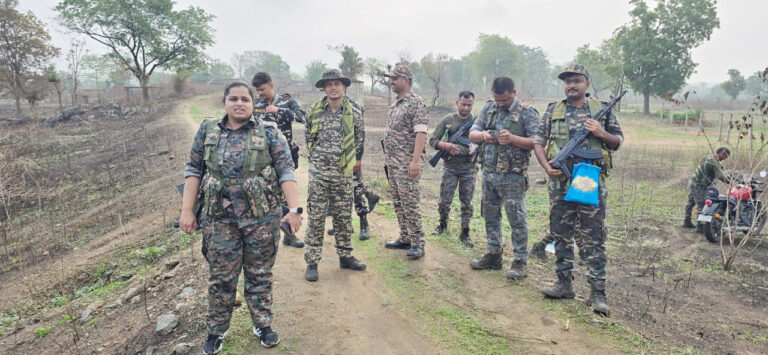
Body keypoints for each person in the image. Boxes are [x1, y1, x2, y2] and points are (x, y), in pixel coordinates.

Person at [179, 81, 302, 353]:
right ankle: (216, 331)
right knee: (221, 276)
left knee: (259, 273)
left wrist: (294, 210)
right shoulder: (207, 131)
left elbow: (285, 171)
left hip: (261, 217)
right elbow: (193, 169)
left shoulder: (269, 133)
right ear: (225, 102)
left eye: (245, 99)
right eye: (233, 98)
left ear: (252, 103)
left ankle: (263, 324)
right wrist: (187, 209)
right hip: (219, 219)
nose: (239, 103)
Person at [533, 64, 623, 316]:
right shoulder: (554, 110)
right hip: (560, 182)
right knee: (561, 233)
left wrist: (600, 132)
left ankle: (598, 293)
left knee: (593, 236)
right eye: (567, 81)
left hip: (588, 181)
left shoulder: (600, 110)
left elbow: (617, 142)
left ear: (587, 83)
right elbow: (538, 142)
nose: (571, 85)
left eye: (576, 80)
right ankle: (563, 283)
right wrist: (546, 167)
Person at [468, 77, 540, 281]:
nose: (500, 104)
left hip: (512, 175)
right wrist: (484, 136)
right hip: (489, 172)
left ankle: (519, 261)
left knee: (516, 218)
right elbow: (472, 132)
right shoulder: (489, 108)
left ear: (514, 93)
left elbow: (537, 141)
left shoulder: (527, 112)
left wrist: (513, 139)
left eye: (505, 101)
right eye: (497, 100)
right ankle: (493, 254)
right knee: (490, 215)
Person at [303, 69, 367, 282]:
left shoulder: (355, 113)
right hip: (319, 176)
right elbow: (308, 138)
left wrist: (351, 162)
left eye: (337, 84)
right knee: (316, 218)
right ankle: (312, 262)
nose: (333, 88)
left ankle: (345, 256)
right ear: (323, 88)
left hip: (343, 175)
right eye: (328, 84)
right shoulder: (313, 111)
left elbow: (359, 139)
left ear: (344, 87)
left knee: (342, 217)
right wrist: (318, 162)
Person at [252, 72, 307, 249]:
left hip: (284, 158)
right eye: (257, 90)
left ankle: (290, 235)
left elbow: (303, 117)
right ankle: (264, 236)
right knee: (266, 197)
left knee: (285, 196)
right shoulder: (256, 105)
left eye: (262, 89)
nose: (260, 93)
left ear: (271, 85)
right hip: (262, 160)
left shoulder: (286, 101)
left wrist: (280, 111)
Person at [382, 64, 429, 259]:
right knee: (399, 202)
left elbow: (421, 132)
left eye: (395, 78)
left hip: (407, 163)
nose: (391, 82)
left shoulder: (415, 103)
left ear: (406, 80)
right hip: (393, 162)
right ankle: (405, 237)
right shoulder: (396, 104)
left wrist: (415, 161)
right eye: (391, 78)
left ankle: (418, 242)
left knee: (410, 202)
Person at [327, 96, 380, 240]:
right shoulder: (325, 106)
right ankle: (346, 224)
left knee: (356, 189)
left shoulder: (353, 107)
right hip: (334, 158)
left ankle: (364, 224)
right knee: (340, 191)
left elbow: (360, 135)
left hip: (350, 156)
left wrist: (357, 158)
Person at [429, 90, 478, 248]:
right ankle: (442, 225)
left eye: (469, 105)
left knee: (467, 203)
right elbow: (432, 140)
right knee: (444, 201)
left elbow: (481, 143)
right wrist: (445, 145)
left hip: (469, 169)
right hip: (450, 168)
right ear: (457, 103)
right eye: (463, 104)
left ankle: (465, 232)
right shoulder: (448, 120)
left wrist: (475, 148)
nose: (466, 108)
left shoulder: (476, 122)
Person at [683, 147, 731, 231]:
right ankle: (700, 227)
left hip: (693, 182)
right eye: (725, 157)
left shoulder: (708, 157)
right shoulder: (714, 163)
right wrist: (730, 181)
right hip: (700, 185)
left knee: (690, 203)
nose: (725, 159)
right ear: (721, 154)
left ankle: (687, 221)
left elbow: (711, 167)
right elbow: (720, 176)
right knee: (702, 205)